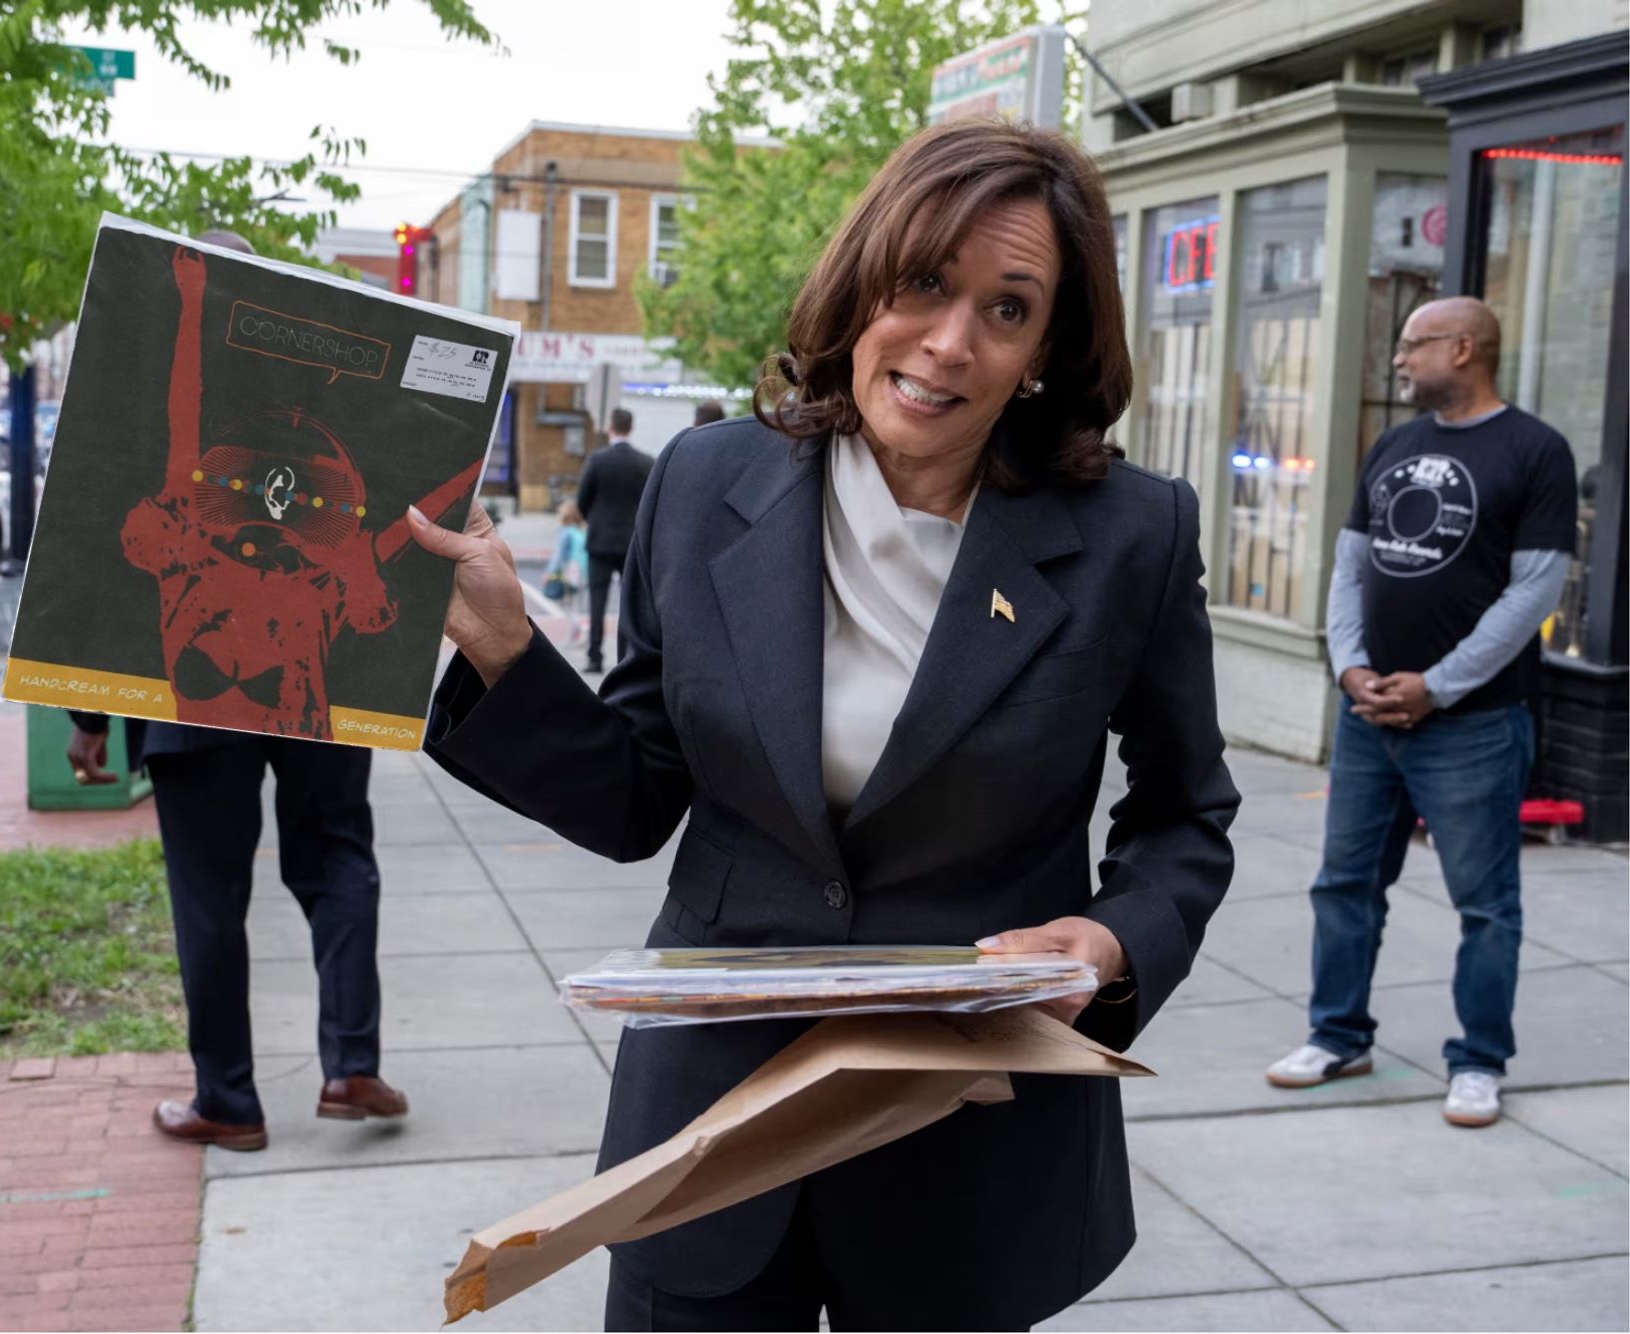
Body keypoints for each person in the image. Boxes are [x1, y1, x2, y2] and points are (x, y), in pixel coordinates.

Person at [406, 119, 1238, 1331]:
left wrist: (1108, 941)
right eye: (923, 284)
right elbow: (638, 792)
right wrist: (501, 649)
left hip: (962, 1148)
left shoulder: (1130, 536)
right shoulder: (703, 482)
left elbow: (1184, 815)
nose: (947, 343)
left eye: (1005, 309)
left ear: (1045, 347)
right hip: (707, 1134)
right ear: (863, 283)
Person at [67, 227, 407, 1154]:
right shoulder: (318, 480)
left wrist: (87, 719)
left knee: (208, 896)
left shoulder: (187, 495)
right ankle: (349, 1062)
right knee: (337, 857)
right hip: (310, 698)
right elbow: (388, 540)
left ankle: (228, 1100)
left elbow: (181, 404)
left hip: (198, 711)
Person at [1268, 297, 1576, 1130]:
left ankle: (1478, 1061)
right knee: (1345, 887)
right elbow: (1349, 567)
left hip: (1472, 726)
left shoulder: (1536, 451)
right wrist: (1352, 666)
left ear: (1465, 348)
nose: (1400, 359)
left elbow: (1534, 591)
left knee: (1485, 904)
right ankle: (1337, 1035)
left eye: (1413, 344)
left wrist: (1436, 685)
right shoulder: (1396, 445)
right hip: (1369, 720)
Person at [575, 407, 654, 674]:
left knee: (597, 600)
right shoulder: (645, 462)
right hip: (632, 541)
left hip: (600, 541)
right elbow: (650, 503)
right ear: (630, 428)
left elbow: (582, 500)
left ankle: (594, 656)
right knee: (630, 603)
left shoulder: (598, 459)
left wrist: (594, 521)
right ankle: (627, 659)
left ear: (611, 427)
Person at [546, 498, 588, 645]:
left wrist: (549, 572)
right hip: (581, 571)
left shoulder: (565, 532)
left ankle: (580, 629)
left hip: (568, 571)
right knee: (574, 603)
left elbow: (558, 555)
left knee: (565, 604)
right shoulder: (580, 530)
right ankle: (573, 634)